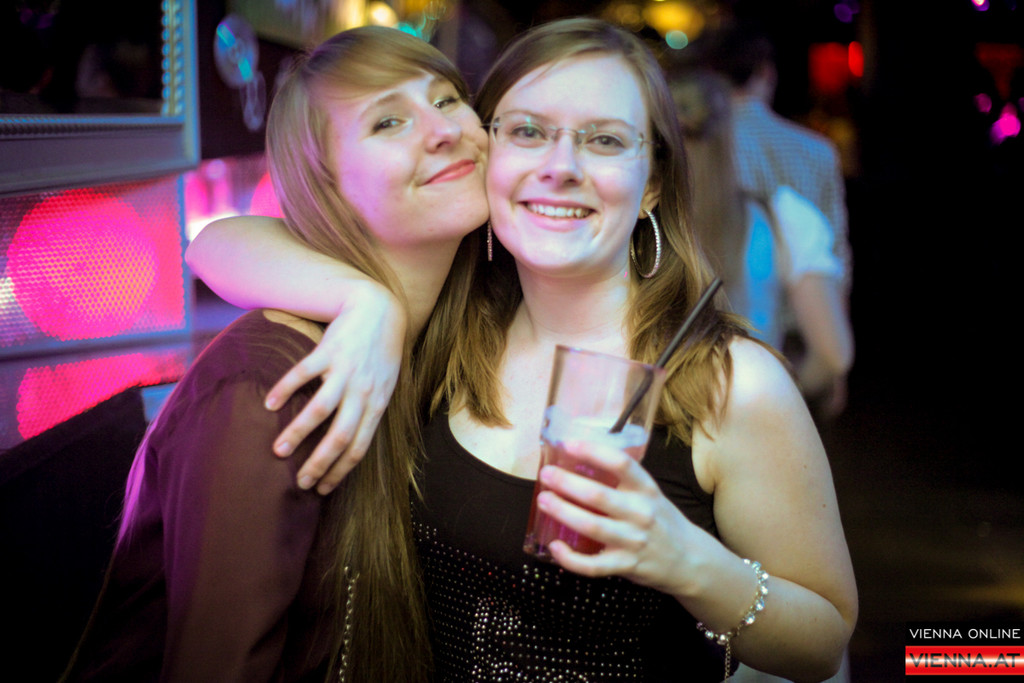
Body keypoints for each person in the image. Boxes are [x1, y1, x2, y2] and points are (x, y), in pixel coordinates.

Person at [189, 18, 857, 682]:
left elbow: (823, 640)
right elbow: (218, 243)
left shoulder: (733, 383)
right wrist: (369, 304)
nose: (560, 168)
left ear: (651, 183)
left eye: (604, 140)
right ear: (489, 154)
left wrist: (690, 562)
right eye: (528, 132)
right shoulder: (449, 325)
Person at [61, 26, 489, 682]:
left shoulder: (465, 326)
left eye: (448, 99)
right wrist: (369, 300)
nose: (442, 129)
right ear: (327, 189)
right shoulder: (268, 390)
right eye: (388, 122)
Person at [670, 67, 854, 418]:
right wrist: (784, 396)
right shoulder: (784, 217)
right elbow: (833, 356)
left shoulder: (636, 215)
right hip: (746, 419)